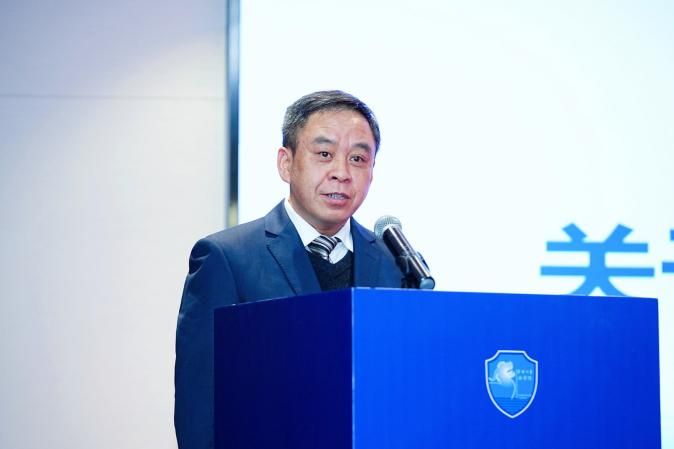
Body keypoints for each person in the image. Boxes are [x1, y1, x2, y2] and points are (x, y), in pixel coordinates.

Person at [174, 90, 404, 449]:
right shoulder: (227, 258)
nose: (342, 173)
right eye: (324, 154)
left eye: (358, 158)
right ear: (286, 163)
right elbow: (199, 403)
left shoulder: (395, 264)